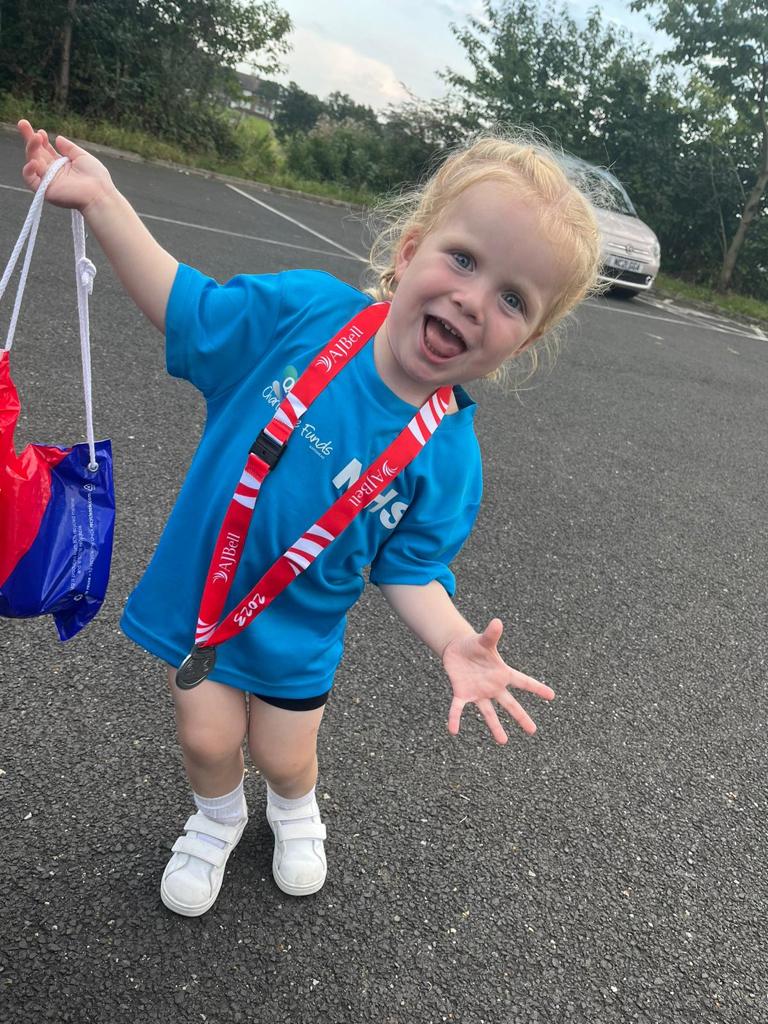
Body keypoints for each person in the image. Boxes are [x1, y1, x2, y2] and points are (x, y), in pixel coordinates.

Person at [17, 119, 601, 917]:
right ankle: (216, 817)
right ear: (409, 251)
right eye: (463, 258)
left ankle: (295, 808)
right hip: (204, 607)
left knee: (284, 754)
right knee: (206, 739)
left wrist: (455, 640)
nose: (472, 297)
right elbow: (187, 306)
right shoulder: (304, 316)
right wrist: (107, 201)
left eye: (512, 299)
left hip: (297, 639)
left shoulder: (450, 458)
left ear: (519, 344)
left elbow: (411, 568)